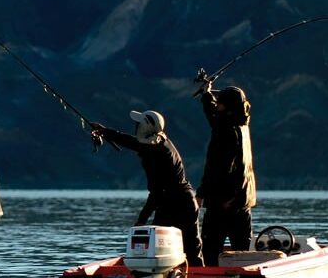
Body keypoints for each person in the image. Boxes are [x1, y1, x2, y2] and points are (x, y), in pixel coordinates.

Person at [91, 110, 203, 267]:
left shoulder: (156, 154)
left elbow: (156, 193)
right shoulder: (159, 141)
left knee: (158, 248)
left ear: (144, 128)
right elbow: (134, 143)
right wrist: (105, 132)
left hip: (173, 205)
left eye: (138, 124)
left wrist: (141, 221)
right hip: (186, 201)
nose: (136, 126)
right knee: (192, 250)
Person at [196, 81, 257, 266]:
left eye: (221, 103)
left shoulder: (226, 132)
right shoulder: (241, 124)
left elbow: (217, 168)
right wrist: (207, 95)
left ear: (228, 107)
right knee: (243, 254)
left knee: (210, 253)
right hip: (242, 201)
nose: (218, 105)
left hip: (223, 203)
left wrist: (200, 194)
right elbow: (215, 118)